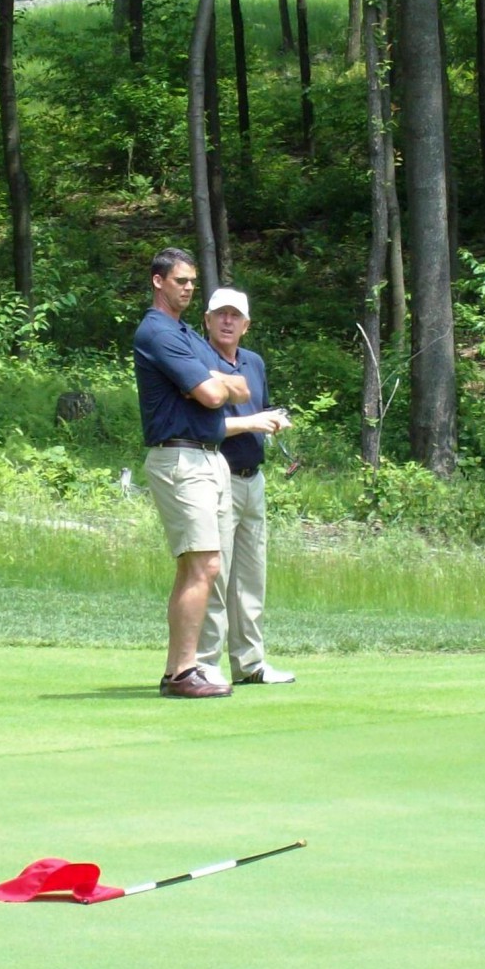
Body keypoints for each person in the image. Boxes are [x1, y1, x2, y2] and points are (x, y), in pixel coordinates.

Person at [133, 249, 251, 699]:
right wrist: (215, 383)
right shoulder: (157, 332)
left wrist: (219, 382)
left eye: (191, 282)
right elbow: (211, 393)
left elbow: (241, 384)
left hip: (208, 457)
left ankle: (179, 669)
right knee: (202, 564)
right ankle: (184, 672)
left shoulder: (186, 334)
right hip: (180, 458)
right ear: (158, 281)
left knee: (200, 566)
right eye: (179, 280)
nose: (186, 287)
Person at [196, 287, 296, 686]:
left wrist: (271, 420)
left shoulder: (253, 363)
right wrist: (254, 423)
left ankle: (250, 663)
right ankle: (204, 664)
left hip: (253, 479)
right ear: (207, 319)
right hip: (216, 475)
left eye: (235, 315)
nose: (227, 321)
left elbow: (260, 411)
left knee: (251, 579)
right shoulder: (198, 361)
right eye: (220, 313)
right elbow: (201, 427)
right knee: (214, 576)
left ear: (246, 324)